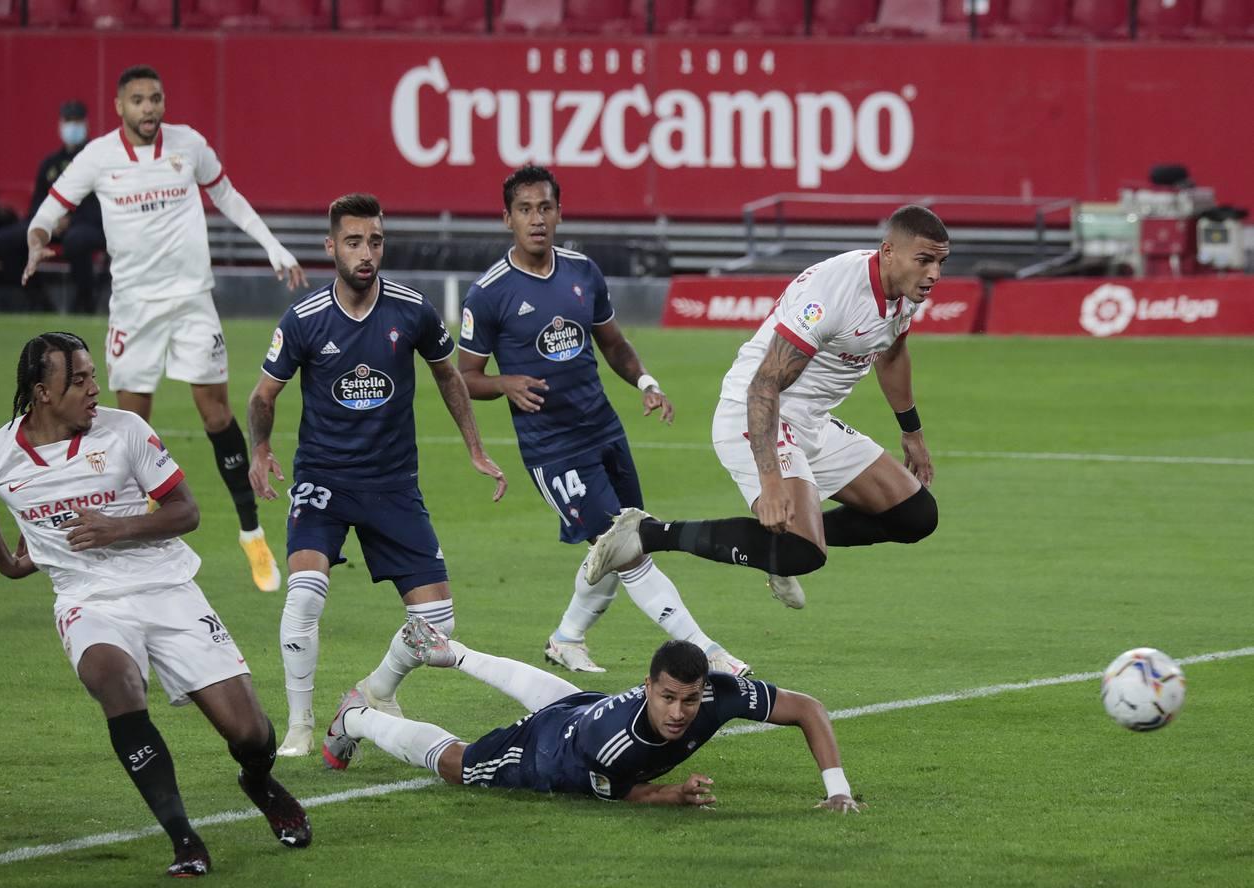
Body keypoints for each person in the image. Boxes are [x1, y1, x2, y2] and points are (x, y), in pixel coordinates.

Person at [0, 332, 311, 878]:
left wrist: (115, 527)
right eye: (79, 381)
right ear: (41, 393)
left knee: (250, 734)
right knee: (116, 684)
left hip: (166, 586)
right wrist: (6, 559)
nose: (95, 389)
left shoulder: (126, 431)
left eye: (94, 375)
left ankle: (258, 782)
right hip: (86, 599)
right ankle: (184, 839)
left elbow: (185, 513)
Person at [21, 64, 307, 594]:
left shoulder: (188, 145)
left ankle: (251, 533)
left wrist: (272, 245)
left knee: (216, 413)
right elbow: (52, 208)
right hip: (133, 310)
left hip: (192, 302)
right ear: (119, 107)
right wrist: (38, 238)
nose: (149, 108)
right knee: (131, 425)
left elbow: (227, 196)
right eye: (138, 100)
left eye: (156, 98)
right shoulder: (98, 157)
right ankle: (143, 542)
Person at [458, 164, 748, 677]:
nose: (537, 219)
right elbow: (464, 377)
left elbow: (612, 343)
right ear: (507, 219)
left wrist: (646, 383)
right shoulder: (488, 293)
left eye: (545, 207)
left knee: (618, 541)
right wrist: (504, 383)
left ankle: (567, 638)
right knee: (627, 546)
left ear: (559, 212)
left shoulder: (582, 272)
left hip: (603, 429)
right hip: (552, 446)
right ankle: (707, 651)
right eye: (525, 209)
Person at [247, 193, 508, 758]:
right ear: (331, 247)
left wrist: (475, 448)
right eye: (354, 242)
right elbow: (264, 394)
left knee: (438, 620)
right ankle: (298, 725)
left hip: (392, 484)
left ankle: (374, 692)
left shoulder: (412, 310)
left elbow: (448, 377)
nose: (367, 253)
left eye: (375, 241)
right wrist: (261, 447)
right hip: (325, 480)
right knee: (305, 594)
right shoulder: (305, 319)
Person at [586, 206, 944, 607]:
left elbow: (892, 354)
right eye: (925, 261)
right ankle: (644, 533)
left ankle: (775, 543)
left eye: (940, 263)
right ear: (889, 251)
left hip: (811, 420)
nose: (934, 274)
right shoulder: (833, 296)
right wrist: (770, 481)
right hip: (756, 411)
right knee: (803, 552)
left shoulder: (904, 289)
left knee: (915, 516)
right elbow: (765, 384)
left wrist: (911, 430)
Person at [324, 620, 862, 811]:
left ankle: (456, 652)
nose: (680, 712)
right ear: (649, 686)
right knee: (460, 766)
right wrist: (670, 795)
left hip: (584, 708)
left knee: (564, 696)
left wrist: (836, 788)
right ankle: (356, 718)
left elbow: (808, 709)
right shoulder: (615, 746)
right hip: (554, 750)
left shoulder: (720, 694)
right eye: (668, 697)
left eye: (690, 699)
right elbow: (622, 793)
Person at [0, 99, 106, 314]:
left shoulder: (96, 159)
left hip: (87, 226)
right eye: (68, 121)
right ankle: (37, 298)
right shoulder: (50, 164)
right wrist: (48, 222)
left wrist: (71, 221)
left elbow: (102, 204)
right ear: (60, 124)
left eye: (76, 121)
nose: (72, 127)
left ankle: (85, 300)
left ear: (86, 124)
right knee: (5, 240)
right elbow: (38, 203)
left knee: (76, 240)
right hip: (53, 225)